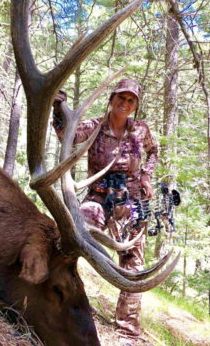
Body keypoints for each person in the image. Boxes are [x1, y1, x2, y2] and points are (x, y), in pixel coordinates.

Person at [53, 78, 159, 346]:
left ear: (135, 106)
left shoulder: (141, 130)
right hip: (98, 197)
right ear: (111, 99)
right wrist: (58, 109)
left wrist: (146, 175)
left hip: (131, 200)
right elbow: (67, 134)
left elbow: (154, 150)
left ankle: (127, 332)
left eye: (131, 100)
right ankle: (55, 298)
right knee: (74, 234)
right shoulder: (94, 127)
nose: (125, 104)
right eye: (121, 98)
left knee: (134, 261)